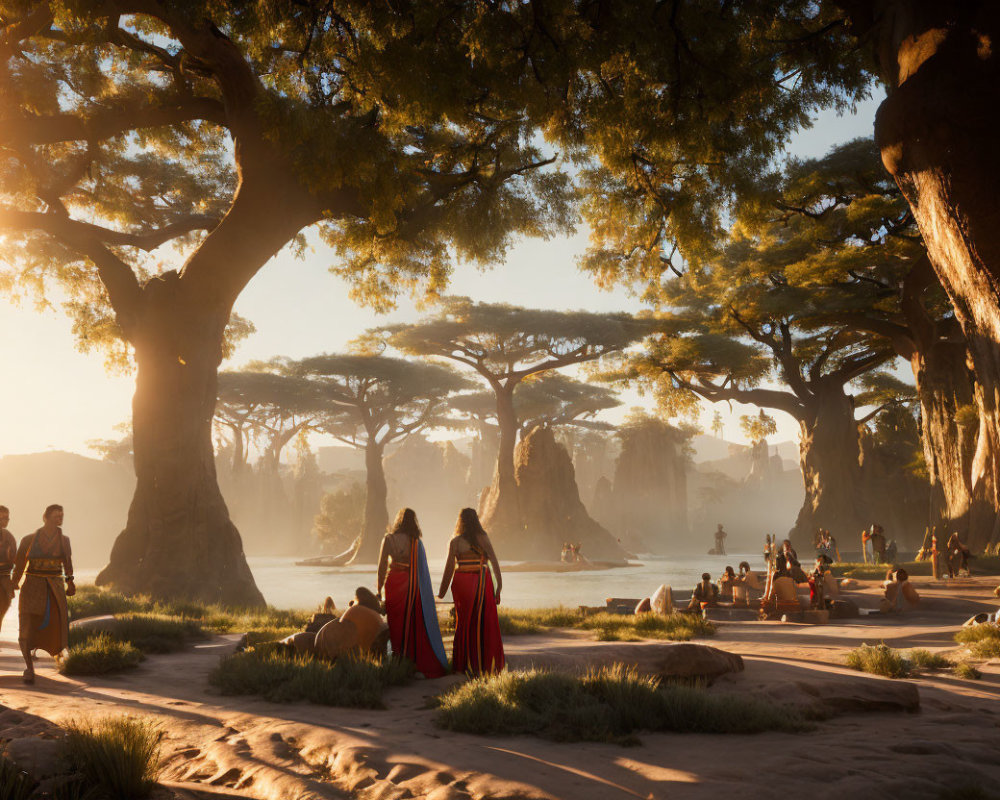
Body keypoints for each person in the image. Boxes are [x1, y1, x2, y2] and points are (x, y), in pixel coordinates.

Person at [376, 508, 448, 678]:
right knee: (412, 623)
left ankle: (397, 659)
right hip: (411, 585)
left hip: (393, 582)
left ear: (398, 521)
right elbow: (422, 571)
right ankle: (412, 661)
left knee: (395, 624)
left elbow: (381, 567)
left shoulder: (388, 539)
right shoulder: (416, 541)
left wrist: (378, 590)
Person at [11, 504, 74, 684]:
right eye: (56, 516)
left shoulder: (64, 540)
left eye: (61, 516)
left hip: (54, 587)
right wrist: (13, 583)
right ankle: (29, 668)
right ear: (45, 517)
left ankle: (62, 661)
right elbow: (20, 564)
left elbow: (67, 564)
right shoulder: (29, 540)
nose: (59, 519)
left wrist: (70, 582)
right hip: (32, 586)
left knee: (56, 625)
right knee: (27, 625)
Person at [438, 508, 505, 675]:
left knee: (464, 622)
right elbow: (494, 563)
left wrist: (441, 592)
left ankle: (463, 664)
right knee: (483, 622)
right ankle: (484, 664)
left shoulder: (455, 542)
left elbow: (448, 569)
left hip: (462, 583)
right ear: (476, 520)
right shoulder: (483, 538)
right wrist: (499, 587)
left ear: (460, 521)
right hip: (481, 582)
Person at [0, 507, 17, 636]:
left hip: (5, 578)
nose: (5, 521)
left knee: (3, 608)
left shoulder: (8, 536)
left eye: (7, 518)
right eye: (2, 518)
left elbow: (16, 558)